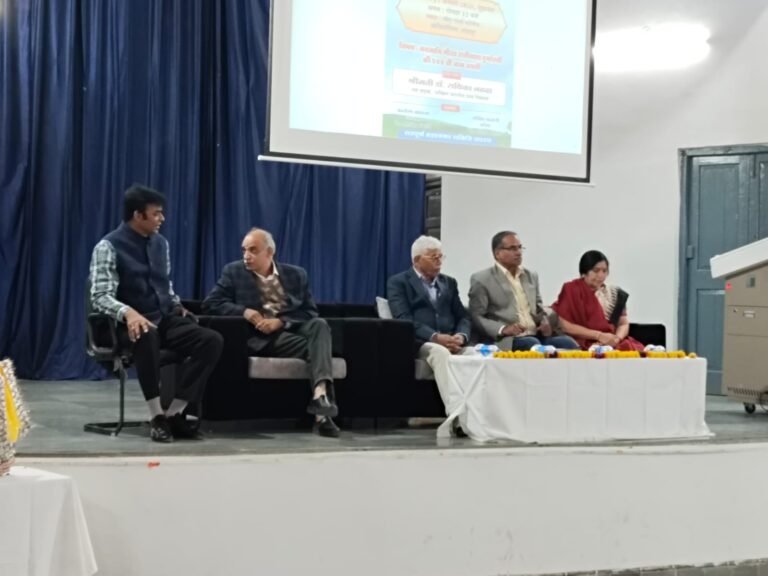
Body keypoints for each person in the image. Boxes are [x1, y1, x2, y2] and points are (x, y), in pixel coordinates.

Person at [89, 184, 223, 443]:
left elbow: (165, 285)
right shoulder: (108, 246)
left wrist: (176, 305)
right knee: (146, 333)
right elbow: (100, 296)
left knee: (211, 340)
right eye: (156, 213)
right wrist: (128, 313)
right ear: (137, 215)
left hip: (161, 317)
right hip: (122, 326)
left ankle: (174, 413)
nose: (162, 218)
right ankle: (156, 415)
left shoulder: (161, 244)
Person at [202, 228, 340, 438]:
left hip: (290, 328)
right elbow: (211, 303)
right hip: (262, 337)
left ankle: (320, 394)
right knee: (320, 349)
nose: (246, 255)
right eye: (244, 250)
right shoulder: (234, 272)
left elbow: (309, 311)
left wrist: (281, 322)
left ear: (269, 253)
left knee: (320, 324)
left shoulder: (296, 275)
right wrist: (245, 312)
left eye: (253, 250)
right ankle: (322, 415)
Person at [387, 236, 473, 422]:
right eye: (433, 257)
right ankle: (457, 415)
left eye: (441, 257)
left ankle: (478, 411)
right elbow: (403, 319)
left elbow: (463, 316)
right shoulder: (399, 282)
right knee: (440, 353)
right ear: (417, 260)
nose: (439, 261)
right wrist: (434, 337)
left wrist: (460, 336)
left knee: (474, 354)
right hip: (420, 342)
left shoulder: (449, 283)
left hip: (452, 340)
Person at [469, 231, 580, 351]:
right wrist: (503, 329)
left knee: (568, 343)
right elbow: (477, 316)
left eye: (520, 247)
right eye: (512, 248)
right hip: (509, 339)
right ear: (497, 253)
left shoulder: (531, 275)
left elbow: (538, 308)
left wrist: (544, 321)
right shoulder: (482, 279)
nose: (518, 252)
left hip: (536, 335)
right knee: (532, 344)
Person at [552, 250, 645, 351]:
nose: (601, 275)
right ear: (584, 272)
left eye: (604, 271)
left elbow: (623, 323)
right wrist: (599, 336)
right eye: (596, 271)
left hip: (609, 343)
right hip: (579, 342)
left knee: (631, 348)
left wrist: (616, 339)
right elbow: (564, 325)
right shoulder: (572, 290)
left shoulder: (614, 294)